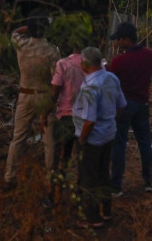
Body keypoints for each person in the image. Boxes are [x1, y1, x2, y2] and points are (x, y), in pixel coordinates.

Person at [72, 47, 127, 229]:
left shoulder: (90, 87)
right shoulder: (111, 78)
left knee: (89, 177)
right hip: (108, 134)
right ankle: (106, 210)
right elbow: (121, 105)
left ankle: (92, 217)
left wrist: (81, 139)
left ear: (86, 64)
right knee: (104, 172)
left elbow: (89, 120)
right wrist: (110, 121)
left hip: (92, 139)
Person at [4, 12, 60, 187]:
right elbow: (56, 79)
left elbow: (14, 32)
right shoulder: (52, 50)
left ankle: (9, 177)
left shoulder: (21, 44)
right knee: (49, 141)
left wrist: (28, 26)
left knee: (18, 138)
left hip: (25, 95)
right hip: (44, 97)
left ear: (29, 29)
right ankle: (51, 179)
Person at [108, 22, 152, 195]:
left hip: (124, 105)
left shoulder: (119, 61)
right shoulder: (149, 55)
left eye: (119, 40)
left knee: (119, 143)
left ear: (126, 40)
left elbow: (111, 82)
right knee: (144, 142)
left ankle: (116, 184)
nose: (117, 44)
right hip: (142, 104)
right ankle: (149, 181)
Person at [48, 46, 86, 201]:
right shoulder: (95, 65)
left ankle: (54, 194)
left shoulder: (63, 64)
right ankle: (80, 193)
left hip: (65, 118)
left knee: (60, 158)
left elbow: (55, 92)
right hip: (85, 119)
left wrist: (44, 114)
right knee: (82, 159)